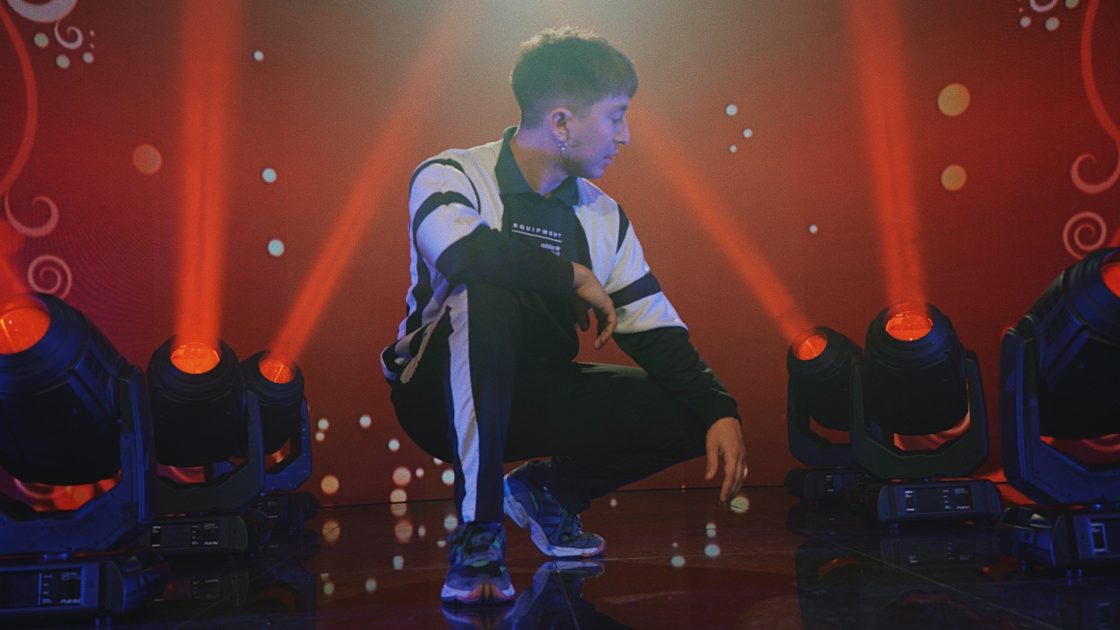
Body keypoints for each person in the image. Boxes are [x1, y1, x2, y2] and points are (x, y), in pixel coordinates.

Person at [381, 27, 746, 605]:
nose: (625, 136)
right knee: (484, 292)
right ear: (561, 123)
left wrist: (720, 409)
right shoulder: (450, 175)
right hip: (436, 397)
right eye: (616, 116)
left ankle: (548, 492)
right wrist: (571, 275)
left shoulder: (602, 215)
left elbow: (653, 328)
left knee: (691, 408)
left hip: (538, 393)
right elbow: (460, 253)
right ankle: (479, 534)